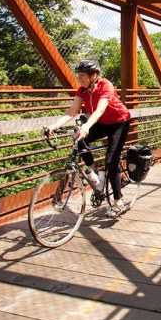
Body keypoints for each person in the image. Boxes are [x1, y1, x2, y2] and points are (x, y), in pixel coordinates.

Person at [44, 59, 132, 217]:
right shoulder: (82, 90)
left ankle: (119, 202)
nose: (79, 79)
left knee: (111, 161)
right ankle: (95, 175)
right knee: (79, 140)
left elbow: (99, 110)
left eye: (83, 75)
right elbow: (72, 111)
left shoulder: (105, 85)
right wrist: (54, 126)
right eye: (78, 75)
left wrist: (86, 126)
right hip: (102, 122)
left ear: (94, 75)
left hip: (119, 122)